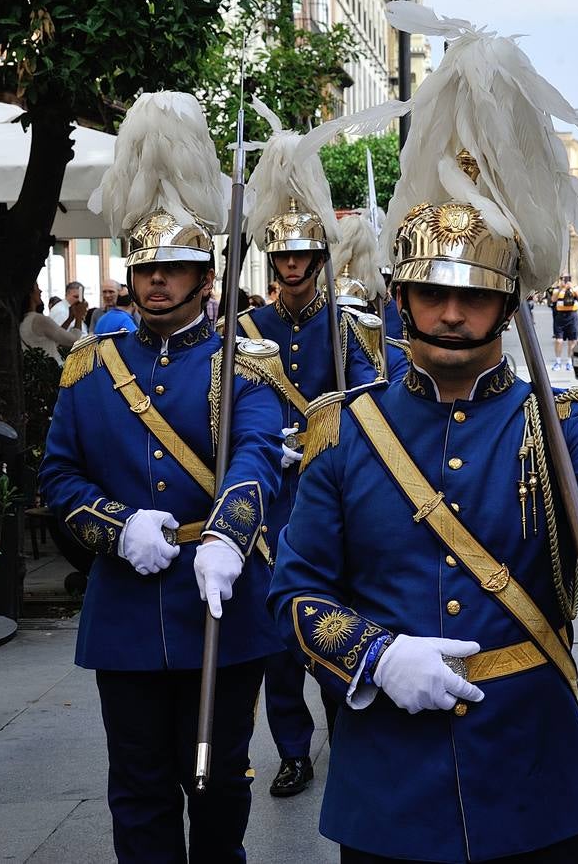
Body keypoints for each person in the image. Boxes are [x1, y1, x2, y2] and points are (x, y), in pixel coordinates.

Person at [268, 7, 578, 862]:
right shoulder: (344, 432)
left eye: (477, 294)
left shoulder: (563, 422)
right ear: (402, 297)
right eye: (433, 292)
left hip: (532, 775)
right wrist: (374, 658)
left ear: (508, 300)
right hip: (388, 789)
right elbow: (295, 595)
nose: (452, 312)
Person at [38, 91, 284, 864]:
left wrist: (229, 537)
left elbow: (255, 458)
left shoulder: (243, 365)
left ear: (204, 276)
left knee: (217, 782)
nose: (156, 282)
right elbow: (60, 477)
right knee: (138, 785)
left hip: (220, 601)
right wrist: (116, 528)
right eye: (145, 268)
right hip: (125, 610)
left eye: (173, 269)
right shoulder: (88, 369)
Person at [239, 104, 399, 801]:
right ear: (273, 261)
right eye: (285, 257)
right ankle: (293, 750)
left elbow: (370, 403)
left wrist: (321, 437)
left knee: (334, 620)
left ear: (320, 261)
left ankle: (345, 729)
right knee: (278, 641)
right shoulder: (246, 327)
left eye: (305, 256)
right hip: (269, 499)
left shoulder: (351, 327)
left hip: (330, 494)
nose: (295, 266)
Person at [21, 283, 84, 364]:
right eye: (37, 288)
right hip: (48, 371)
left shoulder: (25, 319)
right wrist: (79, 316)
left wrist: (69, 319)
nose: (40, 291)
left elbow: (55, 337)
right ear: (30, 293)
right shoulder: (38, 319)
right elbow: (73, 340)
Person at [549, 273, 578, 371]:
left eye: (568, 278)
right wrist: (560, 288)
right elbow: (553, 299)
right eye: (564, 278)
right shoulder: (557, 289)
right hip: (560, 316)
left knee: (572, 340)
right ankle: (558, 361)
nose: (566, 280)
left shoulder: (575, 288)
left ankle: (569, 362)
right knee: (559, 340)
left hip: (572, 315)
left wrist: (572, 289)